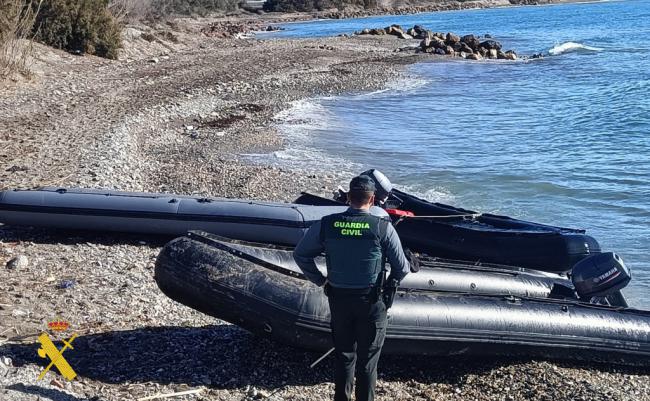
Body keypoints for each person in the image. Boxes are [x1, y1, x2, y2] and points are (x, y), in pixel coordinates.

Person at [293, 174, 410, 401]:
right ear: (373, 199)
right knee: (368, 361)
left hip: (339, 300)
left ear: (348, 197)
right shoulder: (383, 228)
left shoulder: (327, 224)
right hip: (371, 302)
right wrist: (389, 285)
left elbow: (301, 254)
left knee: (344, 356)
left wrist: (321, 280)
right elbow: (402, 268)